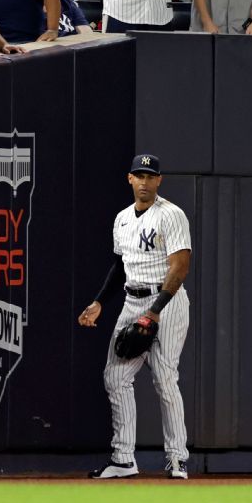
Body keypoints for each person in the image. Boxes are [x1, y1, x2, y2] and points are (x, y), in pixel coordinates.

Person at [78, 153, 192, 481]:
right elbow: (120, 265)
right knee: (115, 377)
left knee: (164, 377)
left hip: (166, 303)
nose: (144, 182)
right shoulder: (122, 219)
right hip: (132, 299)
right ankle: (124, 458)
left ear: (159, 181)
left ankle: (177, 459)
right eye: (139, 176)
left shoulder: (172, 215)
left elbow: (180, 268)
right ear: (130, 178)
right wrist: (100, 302)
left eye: (150, 176)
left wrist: (153, 313)